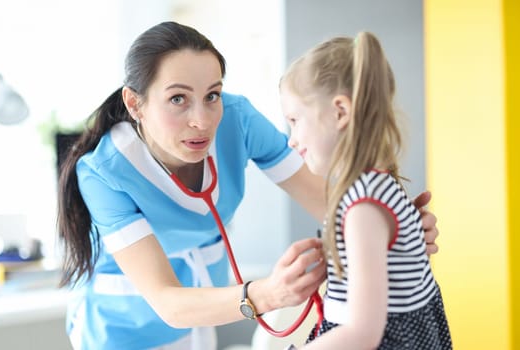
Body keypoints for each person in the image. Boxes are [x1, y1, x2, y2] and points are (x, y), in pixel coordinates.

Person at [57, 22, 441, 350]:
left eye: (212, 95)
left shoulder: (237, 119)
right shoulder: (103, 172)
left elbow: (331, 205)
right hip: (120, 328)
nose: (202, 121)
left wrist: (390, 234)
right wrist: (270, 293)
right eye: (178, 99)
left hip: (201, 319)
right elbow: (168, 304)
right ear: (135, 104)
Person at [278, 32, 452, 349]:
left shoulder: (362, 208)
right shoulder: (378, 187)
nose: (291, 139)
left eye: (295, 120)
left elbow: (362, 334)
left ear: (340, 112)